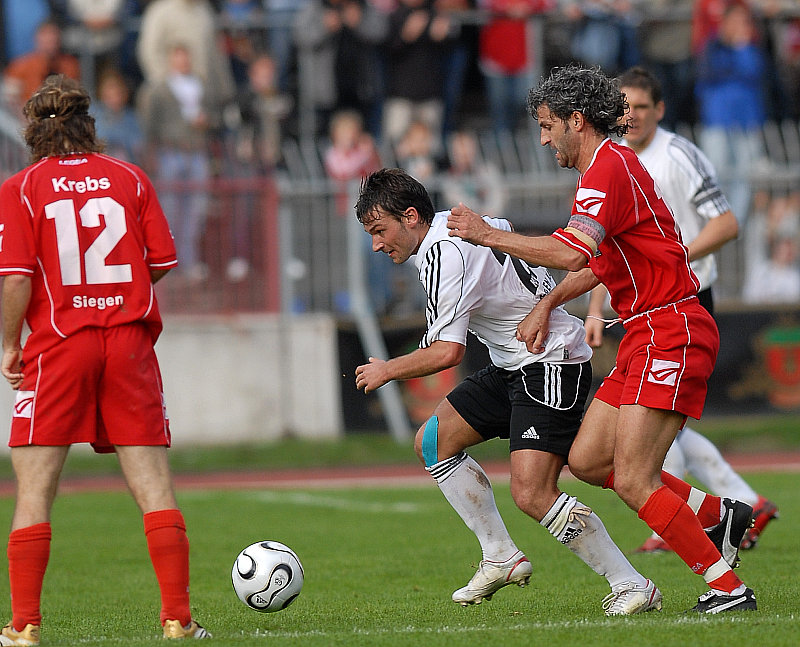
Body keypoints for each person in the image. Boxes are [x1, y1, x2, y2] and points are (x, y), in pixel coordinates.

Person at [446, 64, 757, 613]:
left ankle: (726, 589)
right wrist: (547, 302)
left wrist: (488, 234)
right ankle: (718, 515)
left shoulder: (607, 169)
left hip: (672, 328)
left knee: (635, 478)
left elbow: (572, 251)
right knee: (589, 461)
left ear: (576, 120)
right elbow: (598, 262)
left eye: (547, 125)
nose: (543, 138)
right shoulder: (605, 169)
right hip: (645, 331)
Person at [354, 167, 663, 616]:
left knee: (533, 493)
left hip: (550, 361)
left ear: (412, 216)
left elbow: (446, 352)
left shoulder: (444, 250)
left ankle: (632, 583)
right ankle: (500, 554)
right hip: (515, 364)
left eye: (381, 231)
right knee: (435, 442)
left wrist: (388, 369)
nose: (378, 245)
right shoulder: (465, 224)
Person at [0, 74, 209, 644]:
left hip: (58, 343)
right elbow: (161, 260)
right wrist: (118, 293)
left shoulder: (21, 187)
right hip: (128, 342)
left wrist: (8, 343)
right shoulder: (129, 178)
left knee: (36, 489)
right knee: (152, 485)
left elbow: (16, 277)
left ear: (34, 133)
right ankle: (177, 620)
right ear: (89, 126)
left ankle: (24, 627)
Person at [584, 66, 779, 554]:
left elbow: (728, 222)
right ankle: (738, 502)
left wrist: (671, 257)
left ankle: (682, 518)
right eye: (622, 107)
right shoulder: (615, 160)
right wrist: (593, 308)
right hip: (642, 303)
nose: (630, 117)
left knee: (654, 425)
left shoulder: (676, 155)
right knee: (654, 425)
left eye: (641, 108)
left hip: (684, 299)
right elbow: (603, 247)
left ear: (660, 111)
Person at [138, 43, 213, 283]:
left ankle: (188, 261)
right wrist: (152, 154)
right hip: (170, 151)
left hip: (196, 150)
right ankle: (168, 262)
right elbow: (149, 125)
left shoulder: (201, 85)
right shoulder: (159, 90)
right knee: (170, 210)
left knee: (196, 210)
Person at [2, 20, 81, 115]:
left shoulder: (70, 65)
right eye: (46, 40)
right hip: (24, 117)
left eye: (53, 40)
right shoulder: (19, 66)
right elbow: (10, 101)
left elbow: (75, 97)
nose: (50, 45)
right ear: (37, 39)